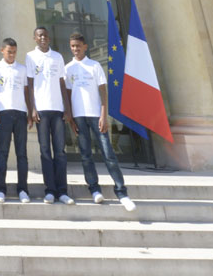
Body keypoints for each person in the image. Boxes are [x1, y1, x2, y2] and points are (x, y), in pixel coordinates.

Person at [64, 32, 136, 211]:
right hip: (79, 117)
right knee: (86, 156)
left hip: (96, 116)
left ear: (85, 46)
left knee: (108, 154)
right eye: (72, 46)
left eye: (78, 46)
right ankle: (94, 190)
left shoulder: (94, 65)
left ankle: (122, 192)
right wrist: (71, 118)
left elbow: (103, 92)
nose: (75, 49)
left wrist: (104, 115)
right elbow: (67, 95)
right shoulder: (68, 68)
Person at [27, 25, 73, 204]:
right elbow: (30, 85)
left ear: (49, 38)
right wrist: (32, 108)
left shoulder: (58, 57)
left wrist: (67, 108)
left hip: (58, 109)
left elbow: (63, 83)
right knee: (45, 151)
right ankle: (50, 190)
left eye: (45, 35)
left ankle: (62, 191)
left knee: (60, 151)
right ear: (35, 39)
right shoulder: (31, 57)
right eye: (39, 36)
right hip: (41, 110)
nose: (43, 38)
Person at [0, 37, 31, 204]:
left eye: (14, 52)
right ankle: (0, 189)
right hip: (4, 114)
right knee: (2, 153)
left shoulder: (22, 69)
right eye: (9, 52)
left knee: (22, 154)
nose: (12, 55)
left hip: (20, 114)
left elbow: (26, 92)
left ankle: (23, 189)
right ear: (2, 51)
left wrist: (29, 112)